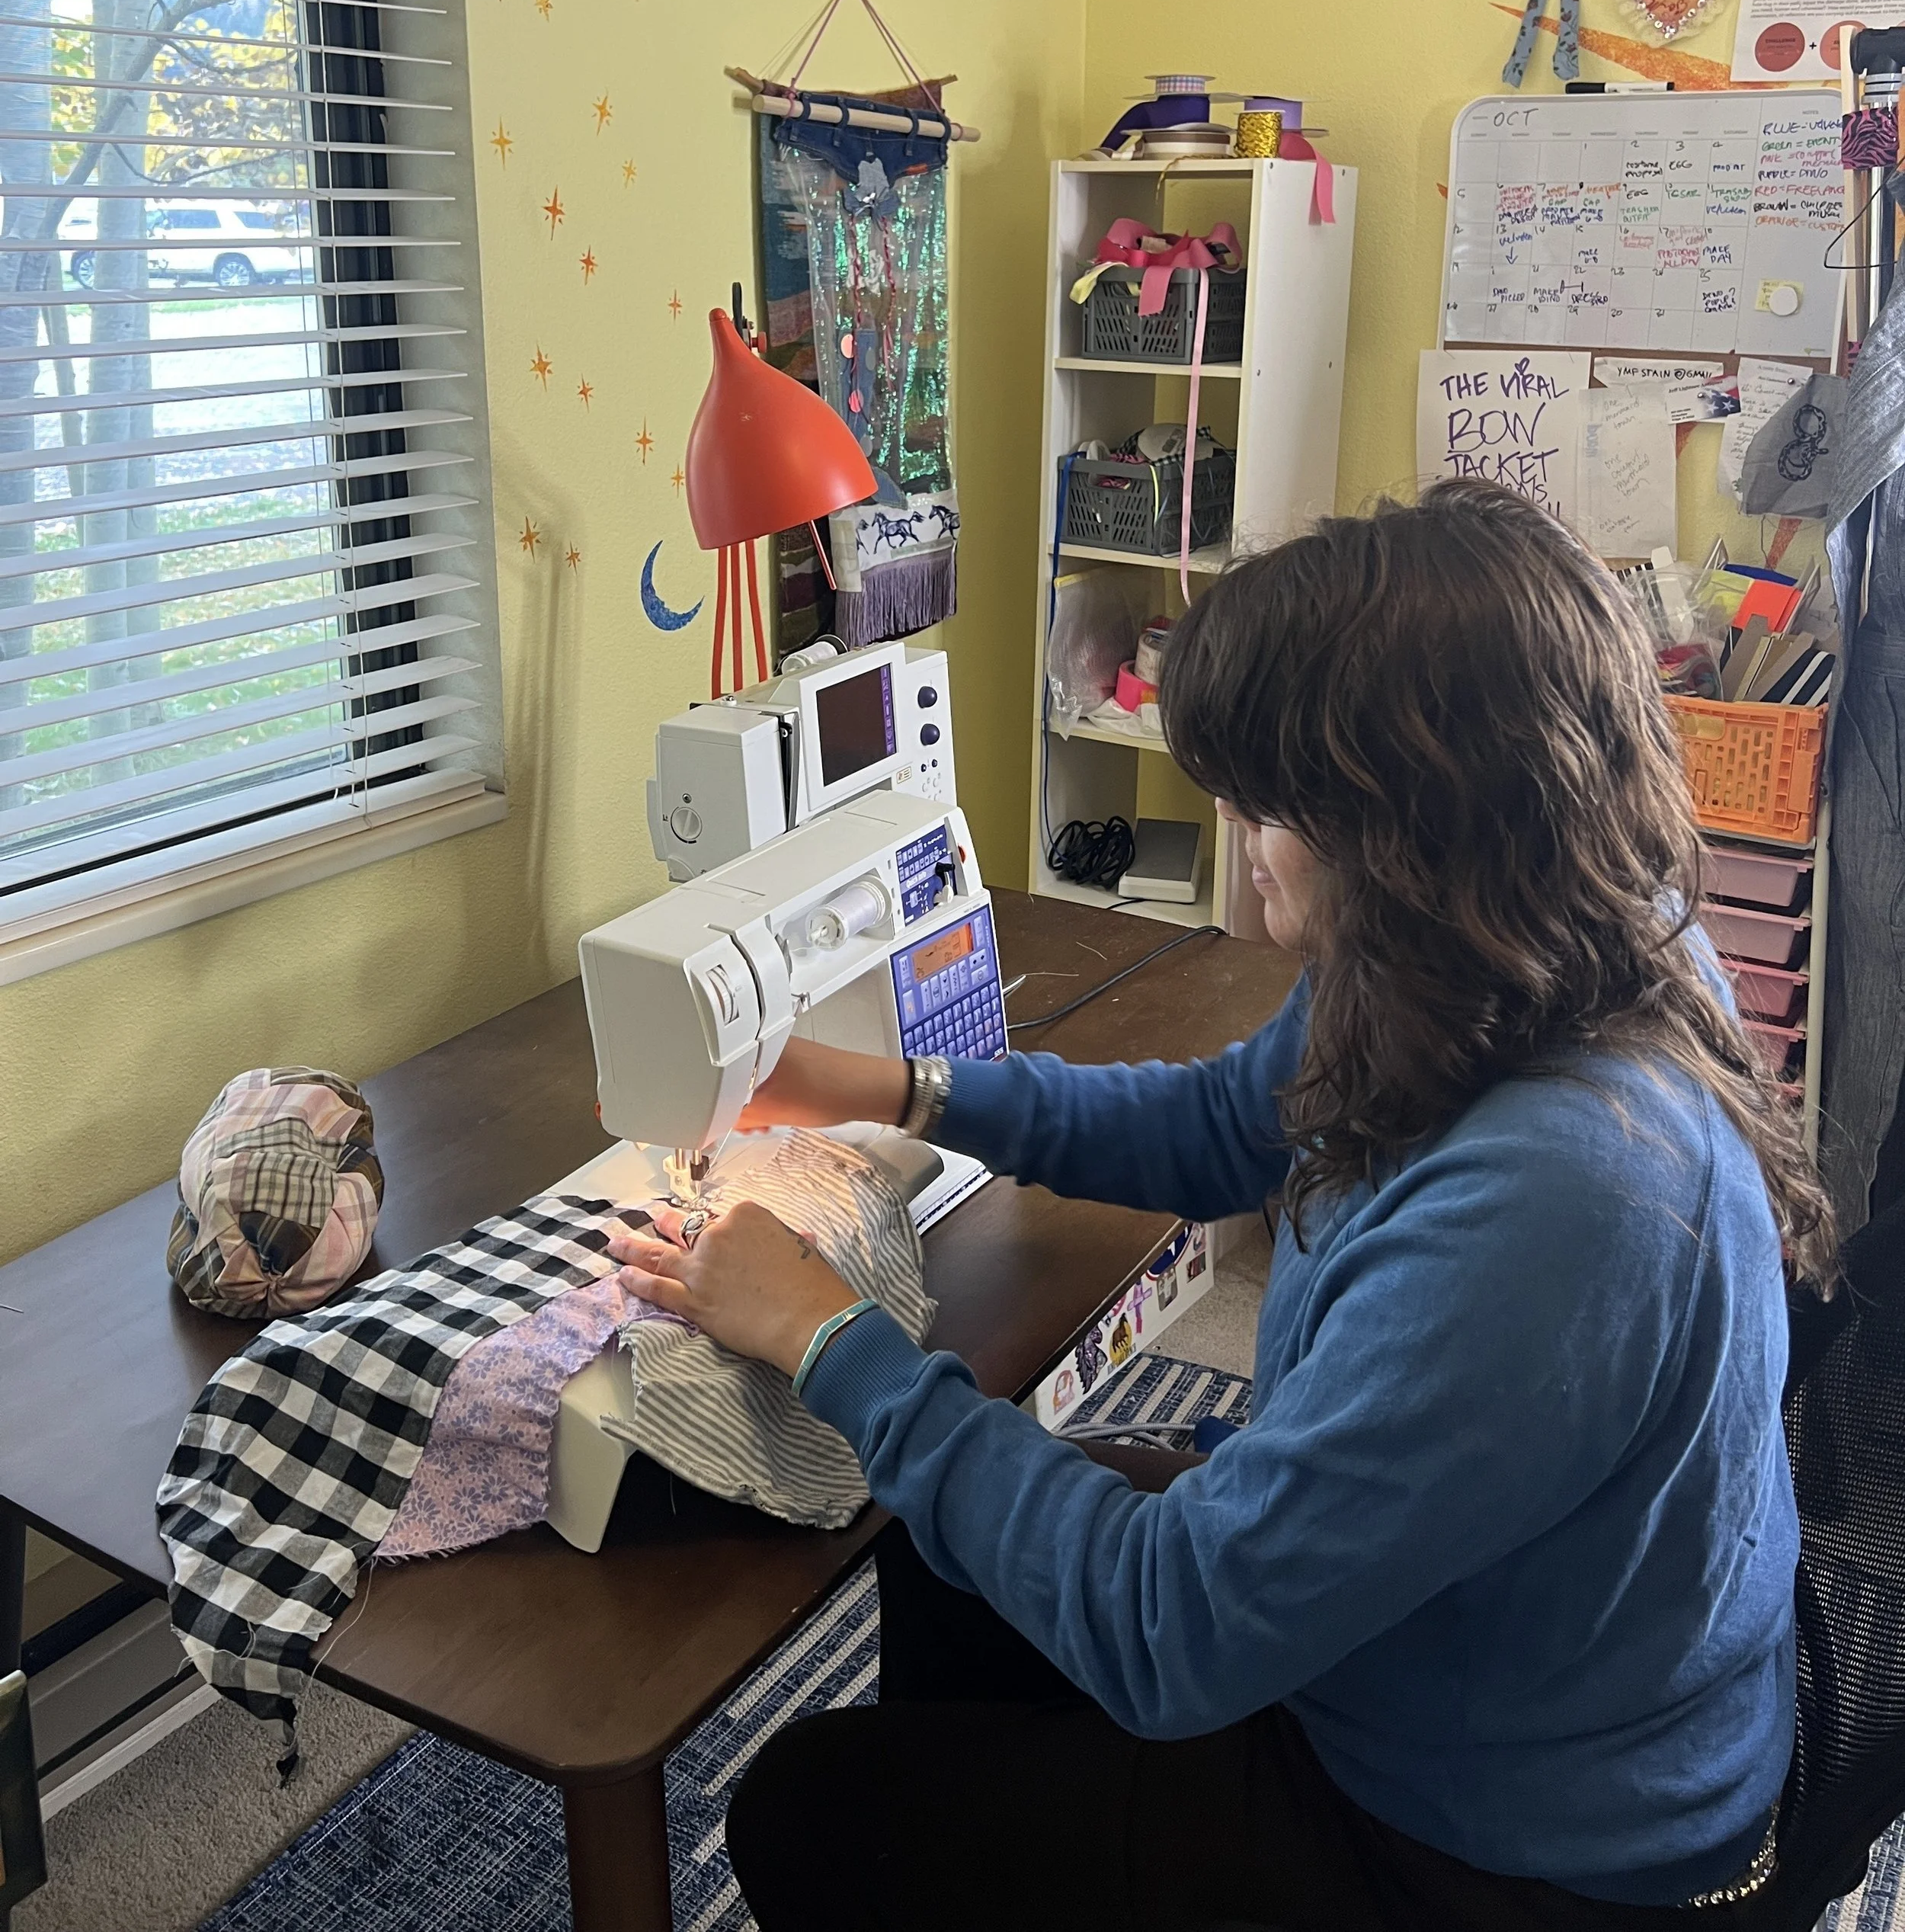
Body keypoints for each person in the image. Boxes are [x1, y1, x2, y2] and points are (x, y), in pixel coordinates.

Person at [610, 479, 1833, 1932]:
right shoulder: (1506, 946)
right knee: (947, 1560)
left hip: (1516, 1851)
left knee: (813, 1808)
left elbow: (1168, 1630)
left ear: (1400, 817)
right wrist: (886, 1089)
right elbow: (1221, 1122)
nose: (1241, 844)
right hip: (1484, 1651)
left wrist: (831, 1340)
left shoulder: (1566, 1201)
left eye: (1265, 802)